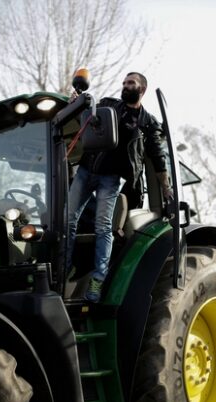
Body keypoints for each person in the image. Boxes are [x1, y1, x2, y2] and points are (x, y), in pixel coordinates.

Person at [66, 71, 172, 302]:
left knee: (103, 227)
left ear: (141, 89)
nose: (125, 86)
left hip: (110, 178)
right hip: (86, 171)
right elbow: (86, 116)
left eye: (130, 83)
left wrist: (166, 186)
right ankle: (63, 270)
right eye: (123, 82)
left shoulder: (147, 122)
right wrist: (76, 104)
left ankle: (98, 280)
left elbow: (157, 155)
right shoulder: (108, 105)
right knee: (68, 220)